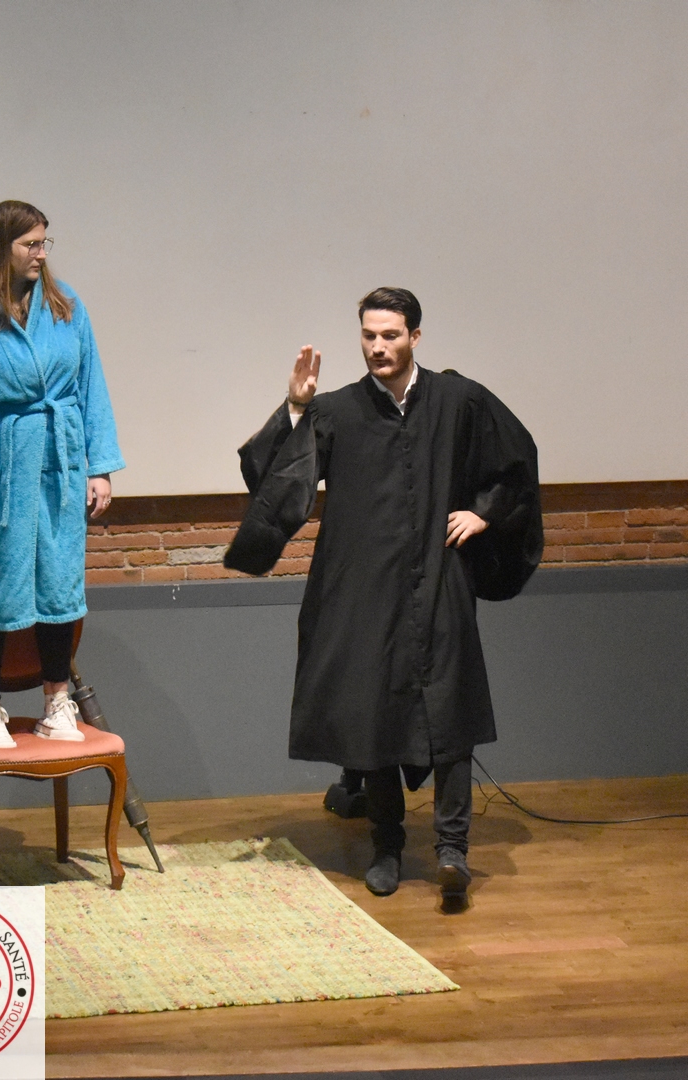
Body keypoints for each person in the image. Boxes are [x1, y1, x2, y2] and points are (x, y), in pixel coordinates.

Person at [224, 288, 542, 902]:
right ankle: (386, 845)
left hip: (440, 578)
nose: (378, 346)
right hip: (363, 587)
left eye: (390, 335)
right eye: (369, 335)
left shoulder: (458, 400)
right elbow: (274, 478)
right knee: (374, 716)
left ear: (415, 336)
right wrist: (295, 406)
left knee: (451, 712)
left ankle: (452, 850)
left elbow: (516, 461)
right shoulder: (336, 410)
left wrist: (484, 512)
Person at [0, 200, 124, 749]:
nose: (41, 253)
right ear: (1, 246)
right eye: (30, 244)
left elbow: (91, 387)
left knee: (59, 582)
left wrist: (100, 467)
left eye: (44, 243)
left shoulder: (66, 308)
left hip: (59, 463)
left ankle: (56, 701)